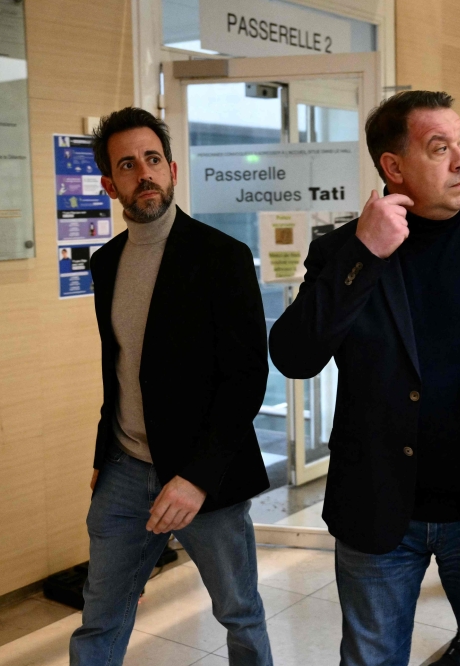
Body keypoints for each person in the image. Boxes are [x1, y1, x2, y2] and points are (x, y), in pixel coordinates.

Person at [269, 91, 460, 666]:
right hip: (380, 508)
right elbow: (293, 355)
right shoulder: (344, 249)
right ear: (394, 167)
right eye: (441, 148)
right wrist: (364, 253)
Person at [69, 107, 273, 666]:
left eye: (153, 159)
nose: (145, 174)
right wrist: (102, 453)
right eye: (128, 165)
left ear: (173, 169)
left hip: (204, 476)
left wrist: (196, 479)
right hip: (125, 469)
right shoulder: (106, 263)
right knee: (100, 617)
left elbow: (247, 377)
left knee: (240, 613)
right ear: (111, 185)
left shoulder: (221, 257)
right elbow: (120, 369)